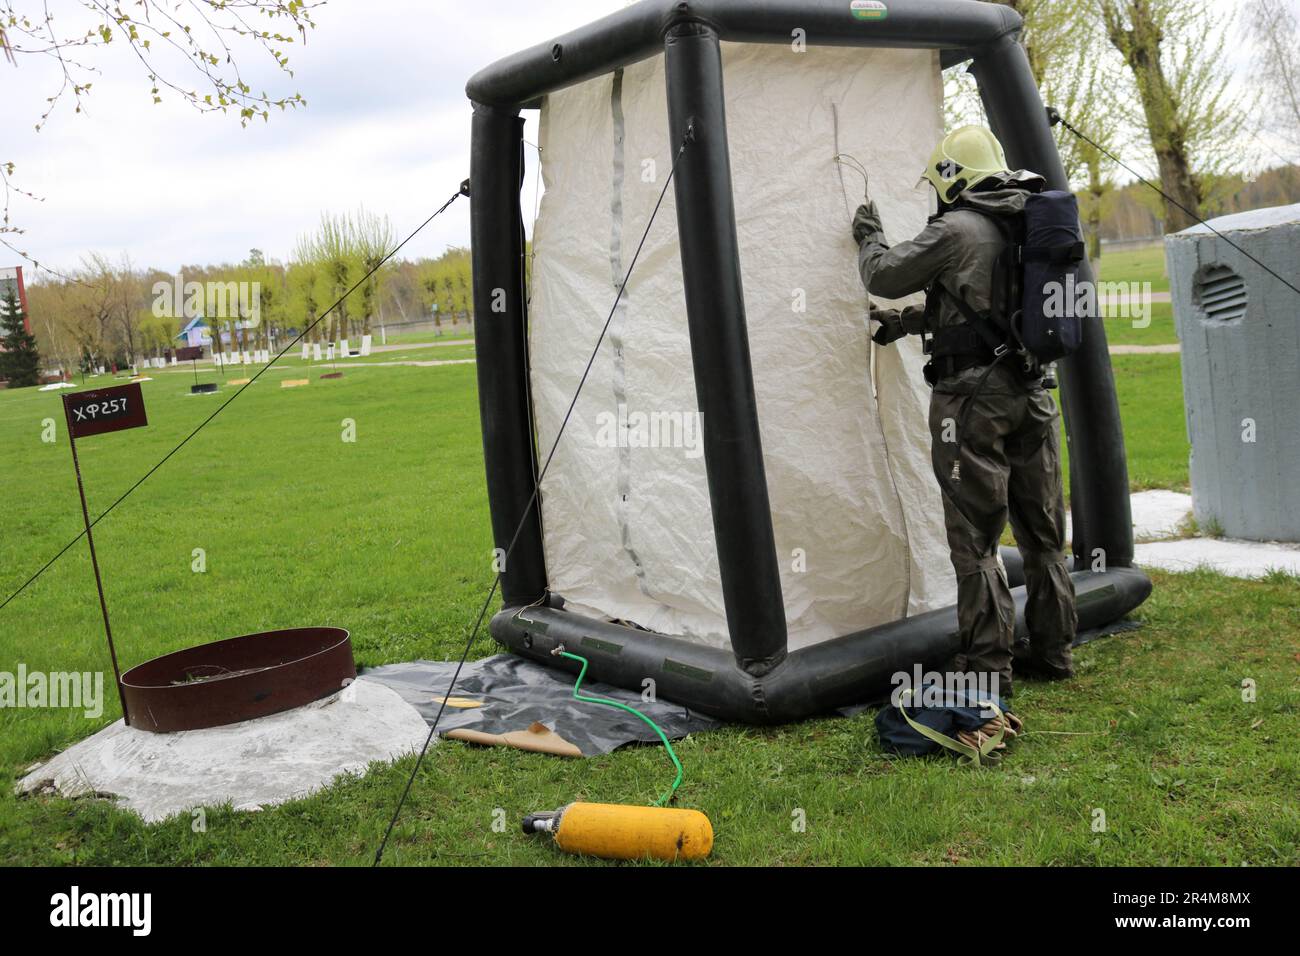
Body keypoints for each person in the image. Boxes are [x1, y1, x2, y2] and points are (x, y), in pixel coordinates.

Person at [852, 125, 1077, 699]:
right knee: (1043, 531)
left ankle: (986, 666)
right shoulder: (1029, 220)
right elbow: (989, 304)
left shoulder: (955, 228)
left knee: (974, 538)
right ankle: (1053, 650)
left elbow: (885, 276)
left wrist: (869, 236)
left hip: (974, 399)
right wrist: (909, 324)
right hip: (1034, 391)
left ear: (953, 178)